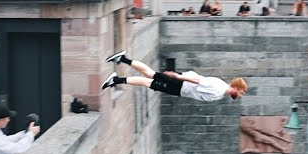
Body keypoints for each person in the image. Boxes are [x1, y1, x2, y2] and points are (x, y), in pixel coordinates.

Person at [101, 51, 248, 102]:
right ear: (236, 87)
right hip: (180, 86)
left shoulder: (221, 93)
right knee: (148, 81)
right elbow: (197, 80)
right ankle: (116, 78)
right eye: (241, 92)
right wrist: (177, 77)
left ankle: (122, 60)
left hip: (180, 89)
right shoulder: (219, 87)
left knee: (150, 75)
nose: (241, 96)